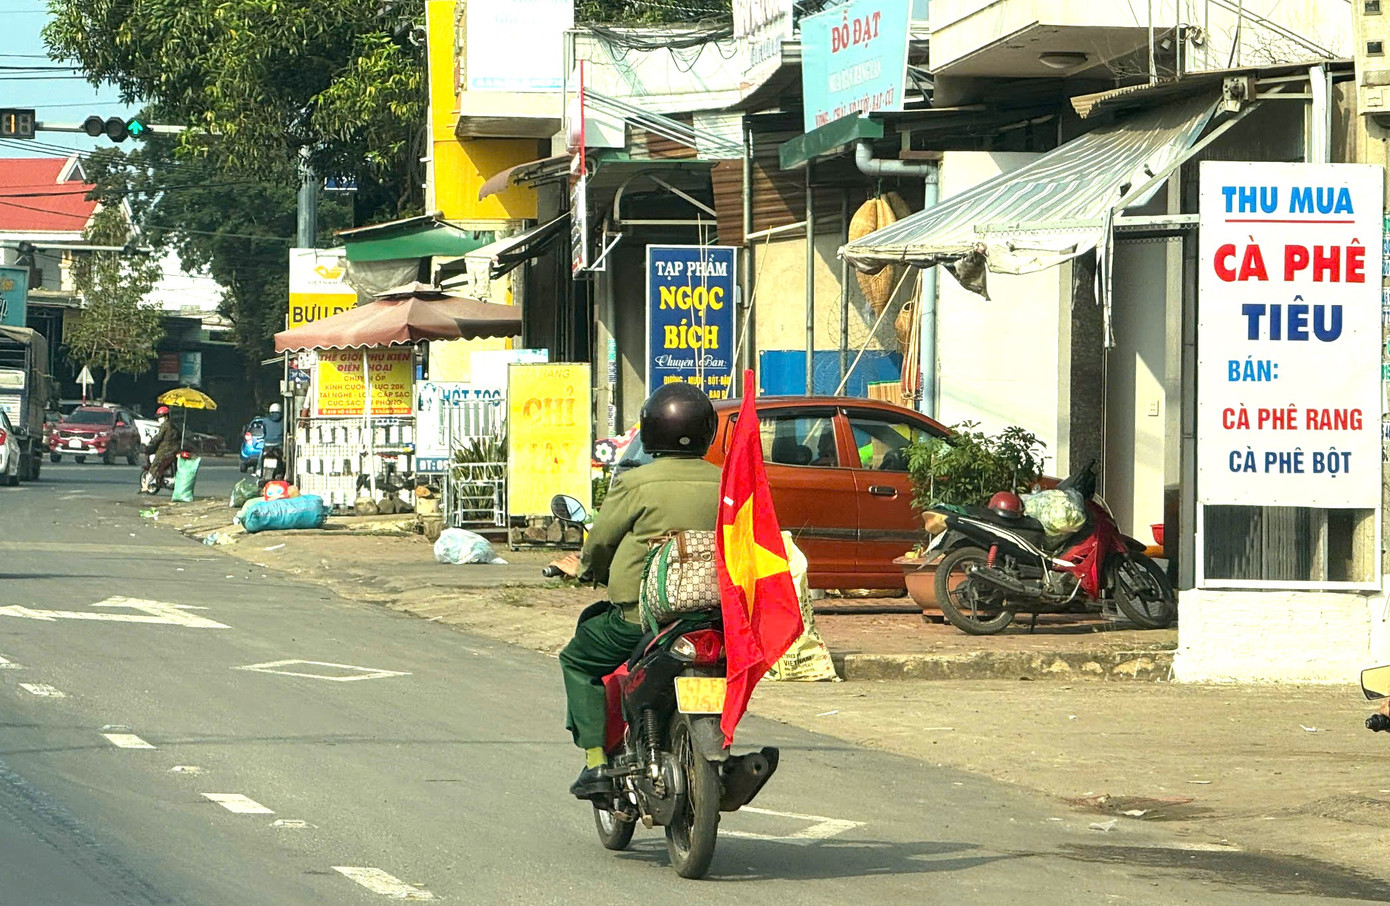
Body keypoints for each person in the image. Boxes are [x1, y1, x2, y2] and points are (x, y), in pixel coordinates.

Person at [558, 382, 722, 799]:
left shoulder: (636, 482)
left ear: (649, 432)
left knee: (577, 660)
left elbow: (601, 541)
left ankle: (595, 762)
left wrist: (586, 570)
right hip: (715, 619)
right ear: (708, 431)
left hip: (641, 620)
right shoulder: (727, 481)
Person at [143, 406, 180, 483]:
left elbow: (159, 437)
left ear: (166, 417)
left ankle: (148, 482)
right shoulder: (174, 425)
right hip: (176, 448)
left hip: (166, 449)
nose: (159, 419)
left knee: (155, 463)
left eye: (160, 417)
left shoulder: (165, 425)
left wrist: (152, 442)